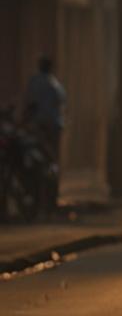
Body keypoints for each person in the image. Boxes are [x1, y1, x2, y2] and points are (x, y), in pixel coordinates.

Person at [23, 56, 65, 211]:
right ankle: (50, 197)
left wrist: (26, 121)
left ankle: (37, 195)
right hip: (53, 127)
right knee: (53, 161)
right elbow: (60, 103)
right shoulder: (54, 84)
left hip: (38, 127)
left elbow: (29, 104)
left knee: (36, 159)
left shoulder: (34, 82)